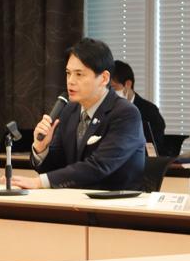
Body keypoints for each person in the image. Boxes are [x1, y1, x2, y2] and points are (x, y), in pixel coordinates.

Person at [12, 38, 145, 191]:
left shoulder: (126, 113)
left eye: (79, 74)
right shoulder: (70, 110)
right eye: (68, 73)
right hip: (75, 200)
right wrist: (41, 148)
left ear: (104, 78)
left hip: (115, 202)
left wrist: (39, 182)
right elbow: (57, 168)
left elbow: (99, 166)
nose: (71, 81)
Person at [111, 60, 166, 152]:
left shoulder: (150, 111)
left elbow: (155, 148)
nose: (110, 93)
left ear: (128, 84)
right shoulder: (105, 109)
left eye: (113, 88)